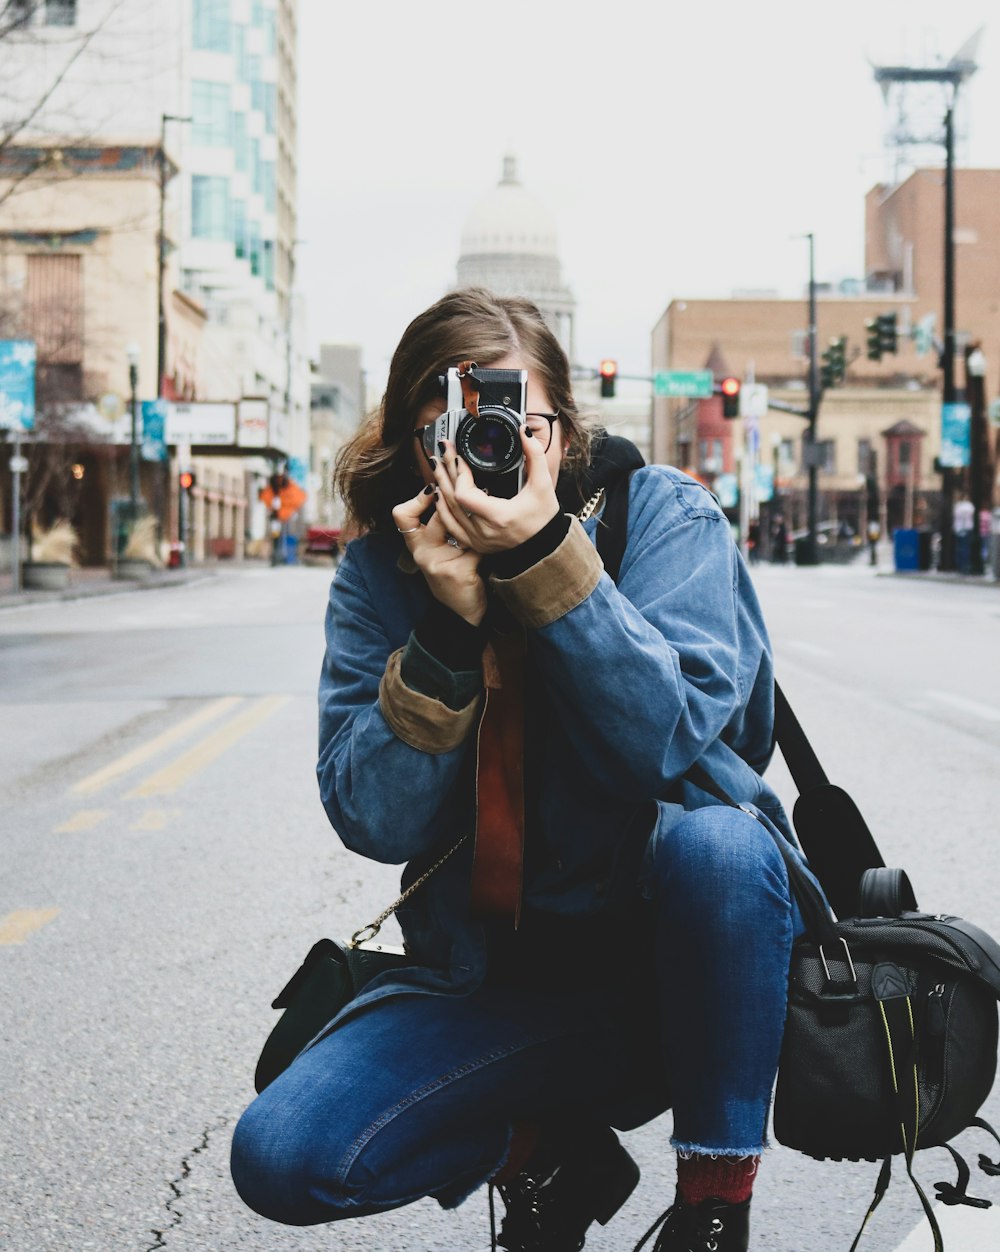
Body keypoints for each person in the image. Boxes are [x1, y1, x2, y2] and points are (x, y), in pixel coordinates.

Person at [230, 288, 824, 1252]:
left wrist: (548, 561)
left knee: (719, 844)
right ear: (413, 447)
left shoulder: (660, 518)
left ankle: (716, 1204)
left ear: (562, 430)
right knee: (284, 1154)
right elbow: (372, 820)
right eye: (449, 435)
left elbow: (667, 746)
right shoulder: (387, 569)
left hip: (695, 976)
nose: (482, 455)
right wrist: (446, 629)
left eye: (510, 423)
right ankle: (544, 1153)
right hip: (497, 985)